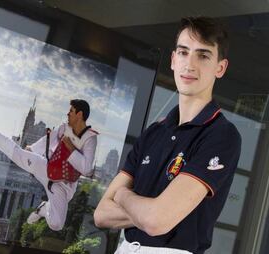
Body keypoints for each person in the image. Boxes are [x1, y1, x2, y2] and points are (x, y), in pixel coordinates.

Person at [94, 17, 241, 254]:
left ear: (220, 68)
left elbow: (156, 221)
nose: (189, 64)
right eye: (183, 53)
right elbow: (101, 214)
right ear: (173, 60)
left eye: (203, 56)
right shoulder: (153, 133)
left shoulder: (221, 136)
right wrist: (154, 211)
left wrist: (122, 195)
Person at [0, 99, 98, 231]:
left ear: (79, 114)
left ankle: (43, 209)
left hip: (64, 185)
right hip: (47, 169)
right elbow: (47, 141)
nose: (67, 113)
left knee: (57, 225)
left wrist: (70, 148)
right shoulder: (64, 128)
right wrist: (32, 149)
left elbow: (86, 168)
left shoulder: (90, 138)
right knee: (17, 153)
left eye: (71, 111)